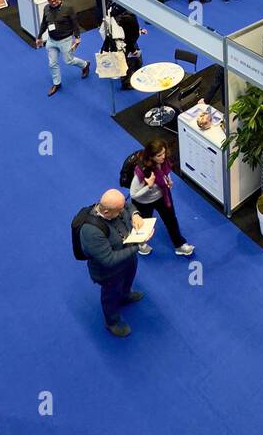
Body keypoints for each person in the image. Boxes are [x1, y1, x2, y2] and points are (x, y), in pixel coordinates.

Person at [78, 189, 147, 337]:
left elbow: (128, 206)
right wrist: (137, 246)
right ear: (107, 212)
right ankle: (112, 322)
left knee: (129, 278)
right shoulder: (91, 231)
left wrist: (135, 215)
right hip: (109, 273)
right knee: (111, 295)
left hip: (128, 259)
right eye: (119, 210)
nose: (123, 211)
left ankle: (125, 295)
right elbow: (109, 260)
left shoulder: (115, 207)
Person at [128, 139, 194, 256]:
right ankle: (141, 243)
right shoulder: (142, 170)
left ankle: (179, 245)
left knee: (171, 220)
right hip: (143, 202)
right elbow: (133, 194)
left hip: (162, 196)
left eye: (164, 153)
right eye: (159, 155)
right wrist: (148, 186)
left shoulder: (164, 162)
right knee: (143, 223)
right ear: (151, 156)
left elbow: (165, 172)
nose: (163, 157)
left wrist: (168, 181)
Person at [34, 0, 89, 96]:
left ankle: (85, 65)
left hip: (65, 40)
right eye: (51, 1)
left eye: (55, 0)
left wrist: (77, 37)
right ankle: (57, 83)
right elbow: (44, 23)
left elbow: (75, 24)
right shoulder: (46, 8)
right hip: (51, 40)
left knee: (69, 61)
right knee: (52, 63)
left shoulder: (68, 8)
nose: (53, 3)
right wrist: (39, 37)